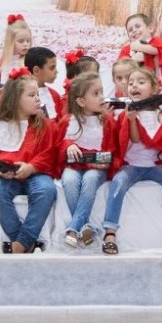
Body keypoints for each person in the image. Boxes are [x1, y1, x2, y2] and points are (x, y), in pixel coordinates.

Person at [99, 65, 162, 254]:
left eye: (141, 82)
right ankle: (110, 232)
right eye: (131, 83)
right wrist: (131, 120)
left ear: (155, 89)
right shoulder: (127, 114)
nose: (134, 86)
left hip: (155, 166)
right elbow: (136, 139)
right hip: (132, 166)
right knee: (118, 182)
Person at [0, 76, 60, 254]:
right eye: (31, 95)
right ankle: (22, 240)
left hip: (37, 173)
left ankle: (21, 243)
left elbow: (49, 153)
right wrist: (3, 169)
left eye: (37, 95)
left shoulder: (44, 125)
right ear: (15, 99)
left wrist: (31, 167)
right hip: (9, 177)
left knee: (46, 190)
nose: (37, 99)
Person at [57, 73, 110, 249]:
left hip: (96, 167)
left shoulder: (107, 119)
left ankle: (73, 228)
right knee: (69, 180)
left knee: (90, 178)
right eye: (95, 94)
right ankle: (85, 226)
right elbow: (59, 144)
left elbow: (114, 146)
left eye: (101, 92)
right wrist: (68, 146)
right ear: (81, 101)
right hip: (75, 165)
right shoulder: (70, 120)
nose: (102, 97)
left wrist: (104, 159)